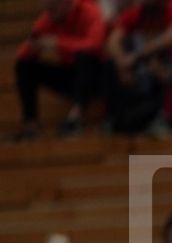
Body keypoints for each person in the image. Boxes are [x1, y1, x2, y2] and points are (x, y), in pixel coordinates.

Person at [12, 0, 106, 140]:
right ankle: (31, 125)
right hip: (71, 77)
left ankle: (75, 117)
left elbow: (95, 45)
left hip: (98, 77)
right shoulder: (48, 18)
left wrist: (58, 43)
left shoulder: (89, 11)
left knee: (85, 57)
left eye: (53, 8)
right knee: (24, 66)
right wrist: (34, 45)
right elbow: (23, 53)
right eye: (47, 8)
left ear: (67, 3)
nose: (49, 12)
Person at [104, 0, 172, 135]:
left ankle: (167, 119)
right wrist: (122, 63)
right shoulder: (136, 13)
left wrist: (139, 55)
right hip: (143, 75)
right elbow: (112, 41)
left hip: (168, 70)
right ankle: (115, 121)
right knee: (110, 65)